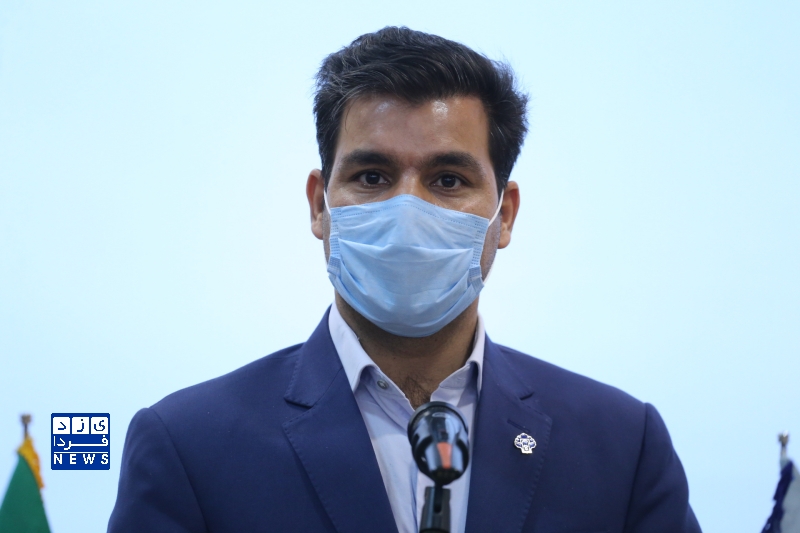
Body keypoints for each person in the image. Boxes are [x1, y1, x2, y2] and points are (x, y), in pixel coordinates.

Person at [108, 27, 701, 533]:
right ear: (319, 206)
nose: (407, 212)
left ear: (505, 217)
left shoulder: (622, 446)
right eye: (372, 176)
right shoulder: (188, 445)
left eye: (448, 180)